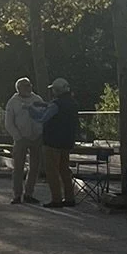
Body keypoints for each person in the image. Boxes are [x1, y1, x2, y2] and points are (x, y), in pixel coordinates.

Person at [3, 76, 46, 203]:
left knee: (35, 167)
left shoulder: (37, 99)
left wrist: (41, 132)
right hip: (21, 138)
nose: (29, 87)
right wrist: (17, 136)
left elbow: (44, 115)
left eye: (30, 85)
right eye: (26, 85)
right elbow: (9, 122)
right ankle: (17, 194)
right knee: (18, 167)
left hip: (36, 137)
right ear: (19, 88)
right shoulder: (13, 102)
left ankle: (29, 193)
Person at [39, 75, 80, 208]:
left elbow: (43, 119)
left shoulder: (56, 104)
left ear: (57, 90)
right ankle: (69, 197)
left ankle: (56, 199)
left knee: (52, 171)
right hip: (67, 142)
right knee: (64, 170)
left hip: (52, 142)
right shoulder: (73, 103)